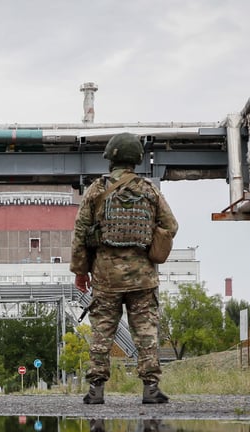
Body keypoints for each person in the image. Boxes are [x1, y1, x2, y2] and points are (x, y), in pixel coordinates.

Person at [71, 132, 179, 405]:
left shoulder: (96, 190)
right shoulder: (149, 189)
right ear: (137, 160)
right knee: (145, 331)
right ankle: (151, 388)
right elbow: (171, 225)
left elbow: (80, 232)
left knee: (102, 332)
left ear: (110, 158)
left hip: (106, 276)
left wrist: (80, 271)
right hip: (143, 276)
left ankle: (96, 390)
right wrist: (151, 247)